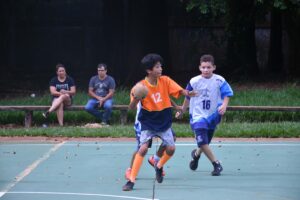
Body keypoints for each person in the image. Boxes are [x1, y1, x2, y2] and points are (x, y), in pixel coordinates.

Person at [122, 53, 196, 191]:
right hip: (148, 121)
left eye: (161, 66)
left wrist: (187, 94)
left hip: (163, 120)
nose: (161, 68)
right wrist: (136, 98)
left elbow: (176, 92)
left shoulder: (165, 81)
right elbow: (131, 108)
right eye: (157, 66)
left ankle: (159, 165)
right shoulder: (140, 87)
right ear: (149, 70)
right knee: (142, 148)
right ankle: (131, 180)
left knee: (171, 148)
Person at [176, 54, 233, 176]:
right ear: (199, 68)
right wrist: (182, 110)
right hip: (197, 115)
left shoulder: (219, 80)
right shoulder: (194, 81)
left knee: (204, 142)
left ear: (214, 67)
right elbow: (187, 97)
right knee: (202, 140)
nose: (206, 70)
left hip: (213, 115)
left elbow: (227, 93)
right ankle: (216, 164)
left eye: (208, 67)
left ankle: (196, 156)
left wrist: (224, 105)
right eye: (203, 67)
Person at [124, 100, 180, 180]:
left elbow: (165, 96)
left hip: (159, 120)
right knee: (141, 148)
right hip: (144, 121)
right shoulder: (140, 88)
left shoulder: (161, 87)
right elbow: (132, 105)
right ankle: (130, 169)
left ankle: (155, 159)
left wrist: (176, 107)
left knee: (172, 138)